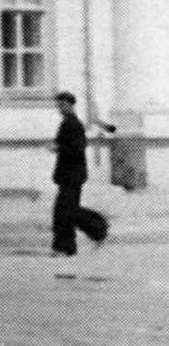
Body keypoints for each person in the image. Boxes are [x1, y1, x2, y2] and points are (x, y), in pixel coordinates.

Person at [51, 90, 109, 255]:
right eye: (58, 105)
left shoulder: (73, 124)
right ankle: (66, 247)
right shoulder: (67, 123)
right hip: (69, 174)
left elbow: (77, 148)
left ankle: (99, 227)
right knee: (64, 212)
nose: (60, 108)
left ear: (70, 105)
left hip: (72, 175)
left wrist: (59, 148)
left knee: (65, 211)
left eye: (62, 105)